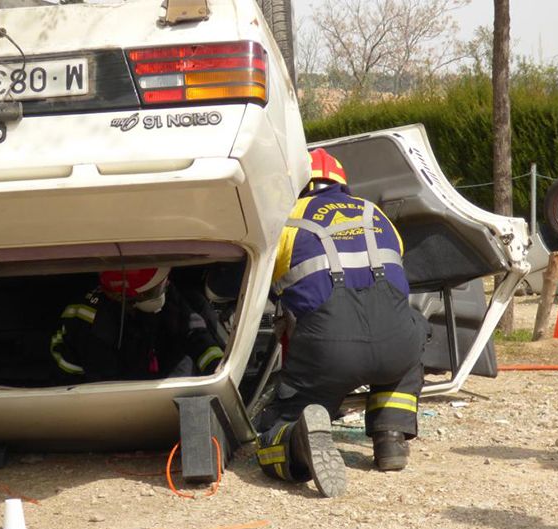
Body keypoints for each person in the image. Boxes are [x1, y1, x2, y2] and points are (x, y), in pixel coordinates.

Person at [256, 148, 427, 497]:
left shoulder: (285, 220)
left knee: (274, 430)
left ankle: (296, 441)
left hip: (328, 354)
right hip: (397, 344)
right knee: (414, 330)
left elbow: (252, 285)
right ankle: (390, 436)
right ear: (341, 183)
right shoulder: (374, 213)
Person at [50, 267, 224, 382]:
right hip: (86, 386)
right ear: (130, 297)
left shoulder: (163, 295)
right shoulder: (95, 325)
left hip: (143, 363)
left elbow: (195, 333)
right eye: (160, 287)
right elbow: (109, 386)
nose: (167, 287)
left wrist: (217, 368)